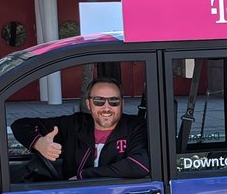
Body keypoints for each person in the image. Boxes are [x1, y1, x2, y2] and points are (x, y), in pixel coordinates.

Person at [10, 77, 150, 180]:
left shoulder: (135, 126)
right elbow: (20, 125)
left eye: (113, 101)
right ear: (89, 104)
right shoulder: (75, 125)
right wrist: (38, 143)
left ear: (122, 104)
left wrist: (83, 176)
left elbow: (139, 165)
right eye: (99, 101)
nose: (106, 107)